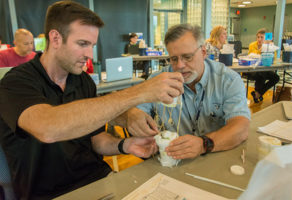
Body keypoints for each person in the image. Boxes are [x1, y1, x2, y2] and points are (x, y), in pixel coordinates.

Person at [0, 1, 184, 199]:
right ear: (55, 38)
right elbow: (47, 128)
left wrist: (125, 145)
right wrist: (139, 93)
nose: (89, 54)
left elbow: (95, 140)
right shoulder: (16, 82)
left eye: (92, 45)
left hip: (98, 181)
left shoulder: (83, 81)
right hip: (51, 194)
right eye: (82, 44)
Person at [135, 24, 250, 159]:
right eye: (174, 59)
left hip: (214, 155)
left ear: (203, 52)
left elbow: (241, 128)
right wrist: (133, 115)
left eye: (187, 57)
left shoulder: (228, 80)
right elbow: (136, 112)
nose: (180, 66)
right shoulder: (157, 81)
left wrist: (203, 144)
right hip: (172, 159)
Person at [248, 28, 279, 103]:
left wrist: (270, 48)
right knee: (262, 74)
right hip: (252, 69)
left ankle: (258, 93)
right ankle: (258, 94)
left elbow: (273, 58)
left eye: (262, 37)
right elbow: (251, 56)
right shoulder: (252, 45)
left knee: (276, 78)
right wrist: (261, 49)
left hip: (263, 70)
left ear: (265, 38)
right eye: (258, 37)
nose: (259, 39)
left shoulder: (268, 46)